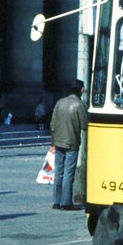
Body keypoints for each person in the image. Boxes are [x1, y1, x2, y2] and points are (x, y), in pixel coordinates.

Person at [50, 79, 89, 211]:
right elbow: (84, 126)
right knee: (69, 172)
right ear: (81, 90)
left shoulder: (59, 102)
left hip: (58, 141)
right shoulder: (79, 105)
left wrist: (53, 142)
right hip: (72, 142)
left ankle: (56, 201)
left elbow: (53, 125)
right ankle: (66, 202)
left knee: (58, 171)